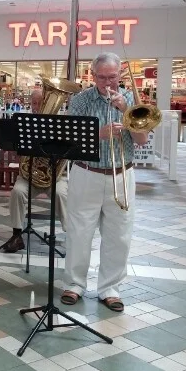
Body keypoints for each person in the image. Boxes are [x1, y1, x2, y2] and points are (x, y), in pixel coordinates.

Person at [61, 52, 148, 313]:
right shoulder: (81, 99)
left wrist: (126, 111)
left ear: (120, 74)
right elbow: (70, 141)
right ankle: (74, 284)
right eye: (102, 77)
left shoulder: (133, 99)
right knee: (79, 231)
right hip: (87, 172)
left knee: (119, 233)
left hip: (121, 173)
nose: (107, 83)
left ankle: (110, 288)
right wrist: (98, 135)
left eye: (112, 77)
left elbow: (142, 140)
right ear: (93, 75)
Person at [1, 89, 68, 253]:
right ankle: (16, 235)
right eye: (34, 103)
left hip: (54, 176)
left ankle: (71, 233)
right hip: (28, 175)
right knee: (17, 191)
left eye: (40, 103)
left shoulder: (60, 125)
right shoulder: (24, 123)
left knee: (61, 194)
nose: (36, 107)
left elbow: (67, 153)